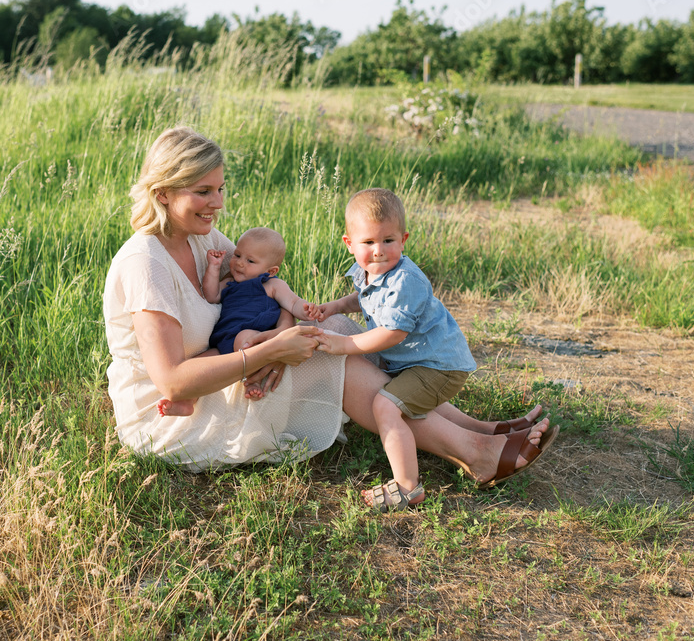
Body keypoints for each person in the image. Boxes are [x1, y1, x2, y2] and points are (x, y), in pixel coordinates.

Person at [102, 126, 556, 503]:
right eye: (203, 191)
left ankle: (477, 430)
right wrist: (269, 353)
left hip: (231, 366)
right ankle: (476, 452)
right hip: (174, 415)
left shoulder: (202, 237)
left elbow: (261, 291)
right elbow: (173, 383)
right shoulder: (146, 264)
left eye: (220, 188)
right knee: (328, 351)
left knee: (331, 327)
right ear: (162, 193)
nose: (218, 203)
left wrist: (280, 340)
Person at [314, 188, 557, 510]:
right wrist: (335, 306)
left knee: (386, 407)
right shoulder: (369, 272)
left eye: (388, 240)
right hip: (419, 363)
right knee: (400, 396)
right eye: (368, 242)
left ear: (404, 239)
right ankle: (489, 433)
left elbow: (393, 333)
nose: (379, 251)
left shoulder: (405, 281)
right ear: (349, 243)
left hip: (437, 367)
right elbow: (364, 298)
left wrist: (344, 344)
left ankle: (407, 486)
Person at [156, 226, 323, 416]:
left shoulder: (271, 284)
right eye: (237, 255)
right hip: (224, 339)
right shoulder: (230, 283)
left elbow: (292, 303)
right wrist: (214, 267)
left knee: (245, 340)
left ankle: (252, 381)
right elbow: (211, 295)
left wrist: (306, 310)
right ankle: (188, 399)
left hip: (253, 334)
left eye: (250, 261)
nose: (240, 263)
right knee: (198, 364)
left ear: (270, 271)